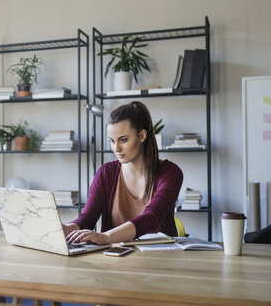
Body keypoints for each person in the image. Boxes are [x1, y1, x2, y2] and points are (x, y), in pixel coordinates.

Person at [64, 101, 183, 244]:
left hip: (160, 258)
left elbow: (152, 218)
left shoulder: (170, 173)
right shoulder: (105, 173)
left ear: (142, 136)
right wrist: (67, 229)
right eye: (112, 141)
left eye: (123, 140)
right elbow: (88, 218)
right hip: (115, 258)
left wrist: (107, 237)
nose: (116, 148)